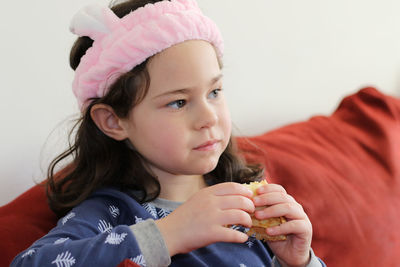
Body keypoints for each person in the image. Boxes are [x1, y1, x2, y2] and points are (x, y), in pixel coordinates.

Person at [12, 0, 325, 266]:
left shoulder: (245, 200)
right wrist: (168, 234)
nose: (208, 117)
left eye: (214, 91)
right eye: (178, 102)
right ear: (113, 121)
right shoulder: (112, 212)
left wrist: (298, 260)